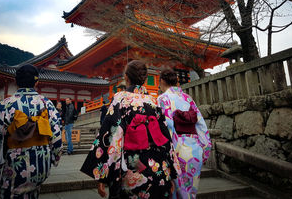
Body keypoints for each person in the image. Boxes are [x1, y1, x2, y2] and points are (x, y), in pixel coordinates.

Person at [81, 60, 181, 199]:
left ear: (126, 78)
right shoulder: (154, 101)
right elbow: (165, 139)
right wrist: (171, 173)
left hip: (131, 170)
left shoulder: (120, 98)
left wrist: (102, 175)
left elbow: (110, 136)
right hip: (158, 169)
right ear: (145, 79)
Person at [0, 64, 63, 198]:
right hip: (40, 167)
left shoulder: (6, 104)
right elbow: (57, 135)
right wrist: (54, 157)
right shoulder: (48, 104)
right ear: (37, 82)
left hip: (13, 167)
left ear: (16, 82)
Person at [157, 68, 212, 199]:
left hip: (177, 151)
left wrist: (167, 154)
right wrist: (205, 149)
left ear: (162, 81)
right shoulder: (188, 99)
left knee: (176, 194)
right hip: (195, 151)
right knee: (190, 194)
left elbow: (168, 127)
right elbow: (201, 126)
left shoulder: (162, 99)